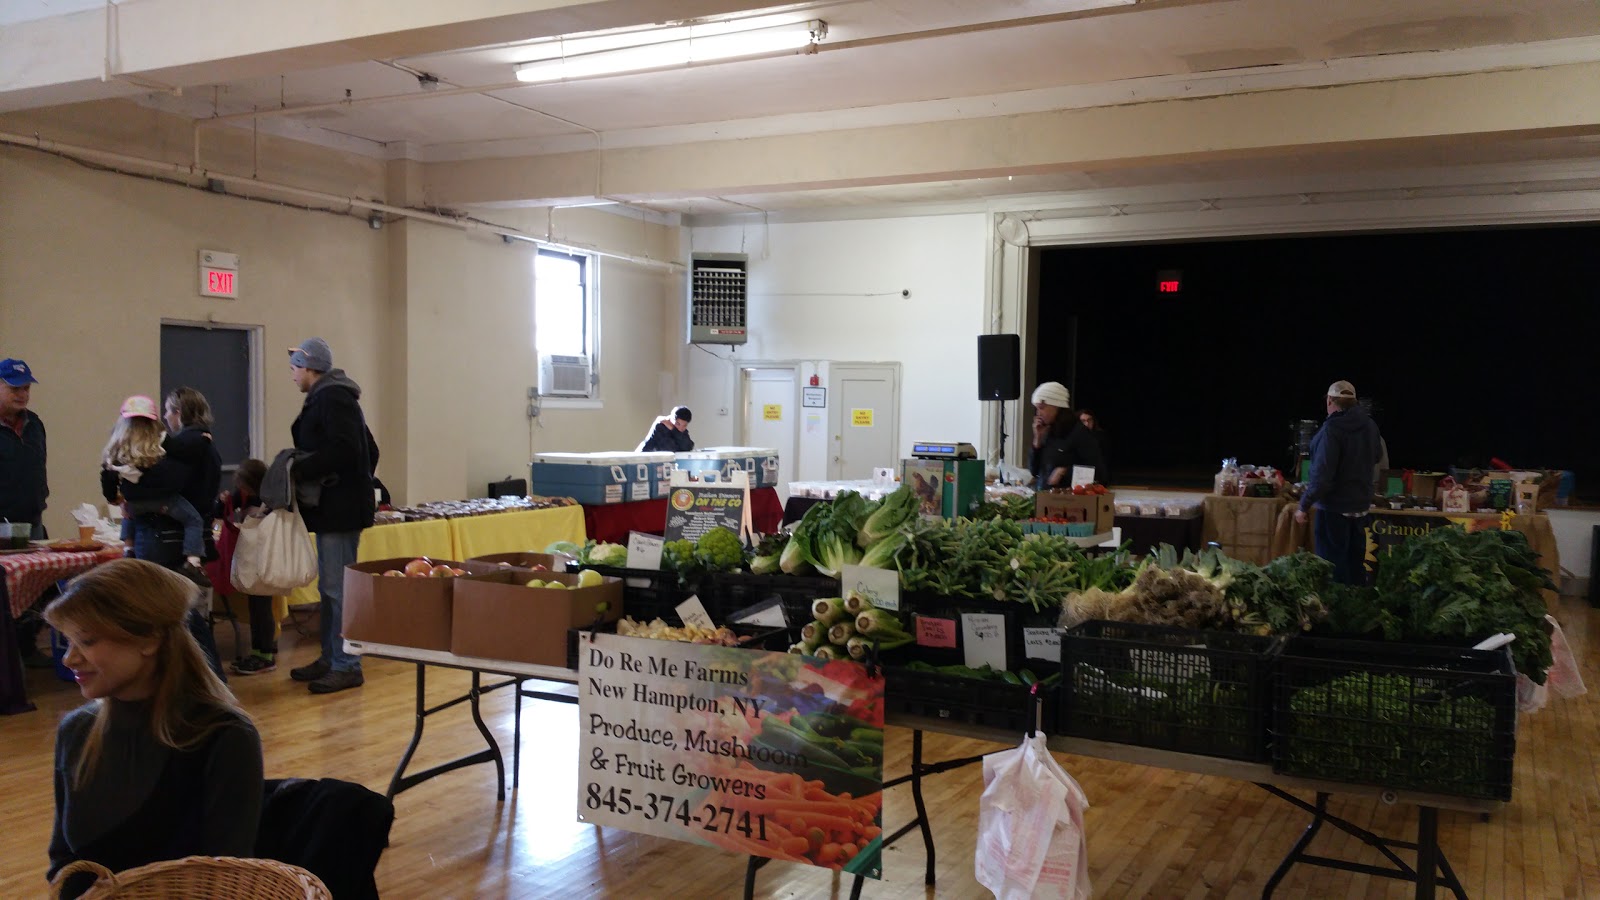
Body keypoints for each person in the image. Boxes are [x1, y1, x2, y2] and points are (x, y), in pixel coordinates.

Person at [44, 558, 263, 899]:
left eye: (86, 641)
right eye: (69, 642)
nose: (69, 659)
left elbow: (225, 881)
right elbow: (64, 861)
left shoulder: (223, 736)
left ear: (148, 640)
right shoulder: (76, 730)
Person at [286, 337, 379, 695]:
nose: (292, 376)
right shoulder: (333, 396)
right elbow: (369, 449)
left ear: (310, 368)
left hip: (339, 509)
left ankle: (346, 664)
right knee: (330, 590)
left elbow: (347, 449)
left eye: (295, 369)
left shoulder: (333, 397)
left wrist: (304, 469)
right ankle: (330, 657)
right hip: (337, 506)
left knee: (337, 591)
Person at [102, 396, 210, 587]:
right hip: (164, 501)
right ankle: (193, 562)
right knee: (193, 520)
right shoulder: (161, 440)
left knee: (128, 513)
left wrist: (114, 498)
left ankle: (128, 549)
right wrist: (202, 440)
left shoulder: (118, 448)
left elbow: (107, 478)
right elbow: (184, 451)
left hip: (135, 504)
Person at [1294, 380, 1383, 586]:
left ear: (1330, 401)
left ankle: (1335, 614)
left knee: (1332, 571)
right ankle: (1356, 613)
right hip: (1361, 509)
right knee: (1356, 569)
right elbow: (1377, 456)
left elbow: (1322, 477)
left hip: (1333, 511)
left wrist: (1304, 506)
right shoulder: (1370, 426)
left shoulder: (1331, 430)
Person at [1, 357, 50, 667]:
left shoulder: (35, 423)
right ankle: (8, 660)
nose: (22, 394)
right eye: (14, 387)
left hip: (31, 519)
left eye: (26, 388)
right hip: (1, 522)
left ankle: (27, 649)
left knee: (35, 588)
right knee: (5, 593)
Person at [215, 459, 277, 675]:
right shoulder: (244, 494)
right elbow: (219, 509)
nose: (239, 488)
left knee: (262, 606)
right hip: (252, 557)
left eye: (242, 484)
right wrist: (223, 501)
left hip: (264, 558)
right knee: (255, 607)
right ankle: (259, 651)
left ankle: (266, 654)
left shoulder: (271, 499)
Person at [1028, 382, 1103, 491]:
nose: (1038, 413)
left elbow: (1098, 473)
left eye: (1041, 408)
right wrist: (1037, 440)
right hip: (1045, 498)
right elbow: (1034, 472)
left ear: (1056, 406)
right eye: (1036, 409)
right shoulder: (1047, 431)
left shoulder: (1080, 433)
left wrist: (1065, 471)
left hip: (1069, 502)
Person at [1077, 408, 1112, 486]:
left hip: (1097, 476)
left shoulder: (1101, 437)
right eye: (1083, 421)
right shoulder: (1074, 438)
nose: (1086, 424)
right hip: (1079, 475)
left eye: (1089, 420)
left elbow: (1105, 459)